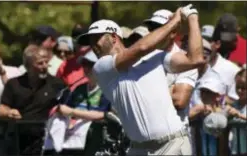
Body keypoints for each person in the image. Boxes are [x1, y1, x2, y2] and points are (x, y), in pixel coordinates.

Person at [76, 4, 204, 155]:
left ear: (114, 38)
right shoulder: (101, 67)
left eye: (96, 38)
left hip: (172, 144)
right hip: (138, 149)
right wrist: (174, 21)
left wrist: (193, 19)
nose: (93, 46)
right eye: (90, 42)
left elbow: (195, 60)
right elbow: (141, 48)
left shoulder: (155, 56)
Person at [0, 45, 66, 155]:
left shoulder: (57, 84)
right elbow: (1, 108)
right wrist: (8, 112)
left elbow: (67, 107)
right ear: (28, 66)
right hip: (20, 143)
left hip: (47, 142)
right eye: (40, 63)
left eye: (46, 62)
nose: (44, 66)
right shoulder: (14, 84)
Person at [143, 9, 198, 129]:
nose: (154, 32)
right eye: (151, 28)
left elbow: (179, 101)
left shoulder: (185, 62)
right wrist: (170, 89)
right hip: (144, 134)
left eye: (159, 27)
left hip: (174, 136)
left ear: (173, 32)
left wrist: (144, 92)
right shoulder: (141, 58)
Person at [230, 67, 247, 156]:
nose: (239, 90)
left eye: (243, 88)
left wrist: (239, 115)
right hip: (236, 149)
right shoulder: (234, 105)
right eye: (238, 87)